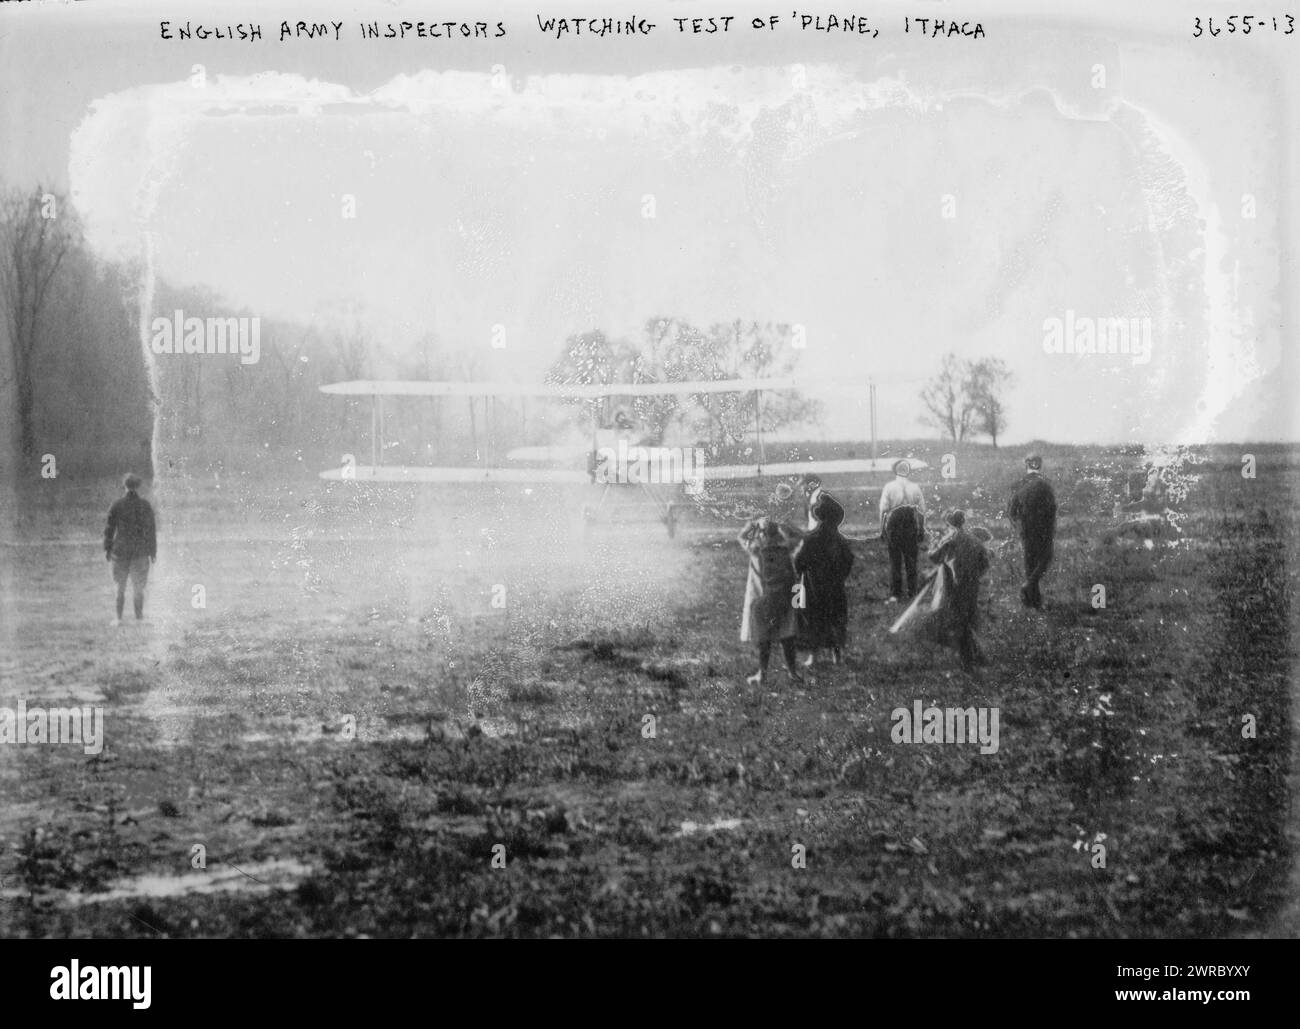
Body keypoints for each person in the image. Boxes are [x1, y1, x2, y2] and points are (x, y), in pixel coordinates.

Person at [738, 516, 802, 686]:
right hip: (785, 597)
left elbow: (742, 537)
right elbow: (799, 536)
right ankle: (792, 672)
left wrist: (752, 524)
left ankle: (763, 673)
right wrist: (784, 524)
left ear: (761, 534)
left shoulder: (756, 549)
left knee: (764, 637)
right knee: (787, 636)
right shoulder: (786, 548)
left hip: (764, 597)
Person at [793, 493, 855, 666]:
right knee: (836, 619)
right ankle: (837, 655)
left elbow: (799, 562)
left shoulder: (811, 539)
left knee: (814, 619)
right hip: (835, 586)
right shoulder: (840, 540)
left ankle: (814, 655)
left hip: (813, 586)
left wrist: (801, 575)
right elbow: (848, 560)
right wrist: (840, 577)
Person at [927, 509, 990, 672]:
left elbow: (934, 557)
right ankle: (976, 655)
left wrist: (932, 544)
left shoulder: (950, 540)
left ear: (950, 524)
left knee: (959, 621)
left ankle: (968, 660)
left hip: (956, 586)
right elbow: (984, 563)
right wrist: (975, 576)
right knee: (968, 618)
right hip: (972, 585)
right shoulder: (975, 540)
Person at [104, 472, 157, 624]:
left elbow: (109, 529)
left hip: (120, 552)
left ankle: (118, 618)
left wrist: (107, 548)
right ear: (138, 486)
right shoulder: (145, 505)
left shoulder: (116, 505)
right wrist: (153, 552)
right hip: (140, 552)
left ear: (124, 486)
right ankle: (139, 617)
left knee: (119, 588)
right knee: (138, 588)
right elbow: (151, 531)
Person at [1007, 453, 1057, 608]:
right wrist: (1051, 528)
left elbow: (1011, 511)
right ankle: (1029, 587)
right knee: (1046, 558)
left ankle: (1031, 601)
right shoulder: (1045, 484)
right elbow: (1052, 509)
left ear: (1026, 465)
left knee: (1029, 562)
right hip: (1044, 529)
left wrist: (1018, 527)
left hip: (1026, 529)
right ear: (1040, 465)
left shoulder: (1018, 484)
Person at [878, 458, 927, 603]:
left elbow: (883, 511)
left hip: (895, 525)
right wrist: (921, 529)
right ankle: (912, 592)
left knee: (895, 561)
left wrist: (882, 530)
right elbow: (922, 511)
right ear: (909, 472)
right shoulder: (915, 487)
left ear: (895, 471)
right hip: (910, 525)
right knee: (911, 560)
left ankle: (896, 594)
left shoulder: (889, 487)